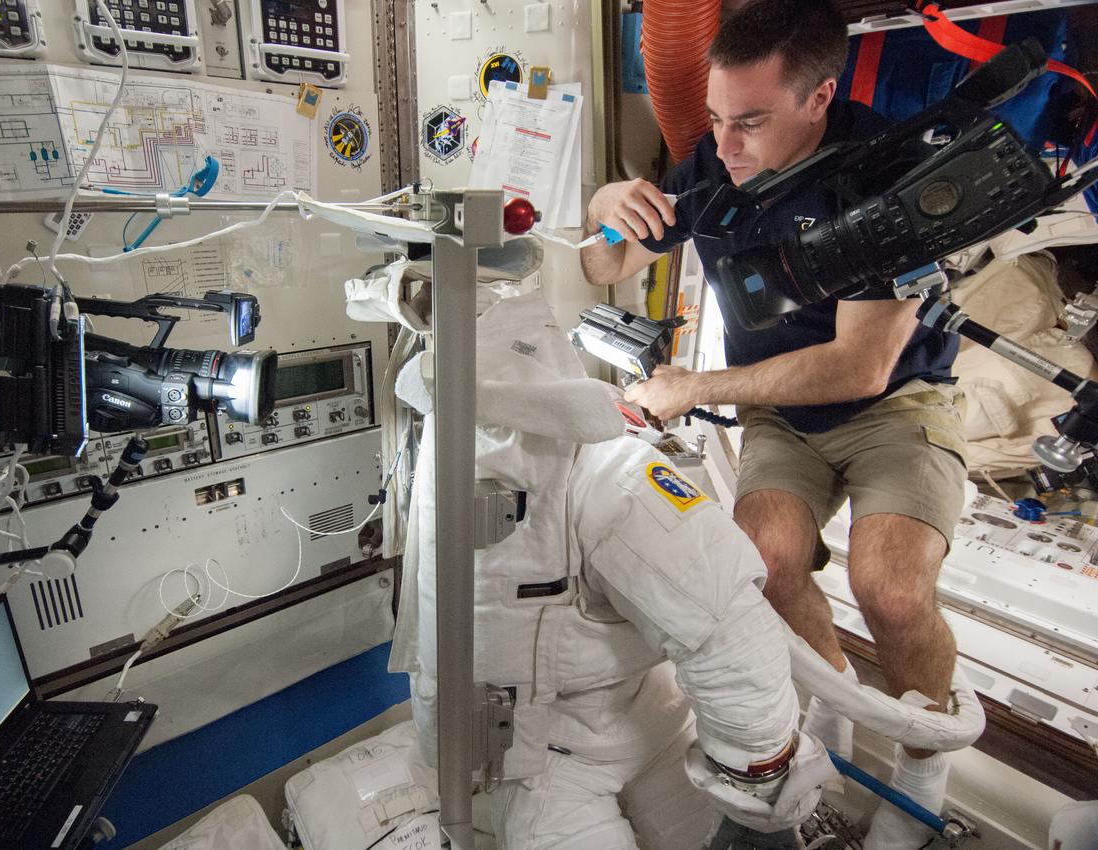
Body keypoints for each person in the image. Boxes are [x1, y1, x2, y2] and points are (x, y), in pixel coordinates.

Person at [581, 2, 967, 848]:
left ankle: (922, 778)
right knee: (764, 563)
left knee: (892, 590)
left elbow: (860, 365)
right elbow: (605, 262)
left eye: (749, 122)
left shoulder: (890, 176)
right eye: (717, 120)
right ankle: (834, 727)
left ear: (820, 96)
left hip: (895, 404)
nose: (725, 144)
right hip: (782, 418)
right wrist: (609, 205)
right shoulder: (713, 169)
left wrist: (693, 387)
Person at [383, 277, 835, 848]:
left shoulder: (616, 481)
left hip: (643, 731)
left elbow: (732, 636)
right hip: (537, 758)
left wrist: (758, 803)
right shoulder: (442, 466)